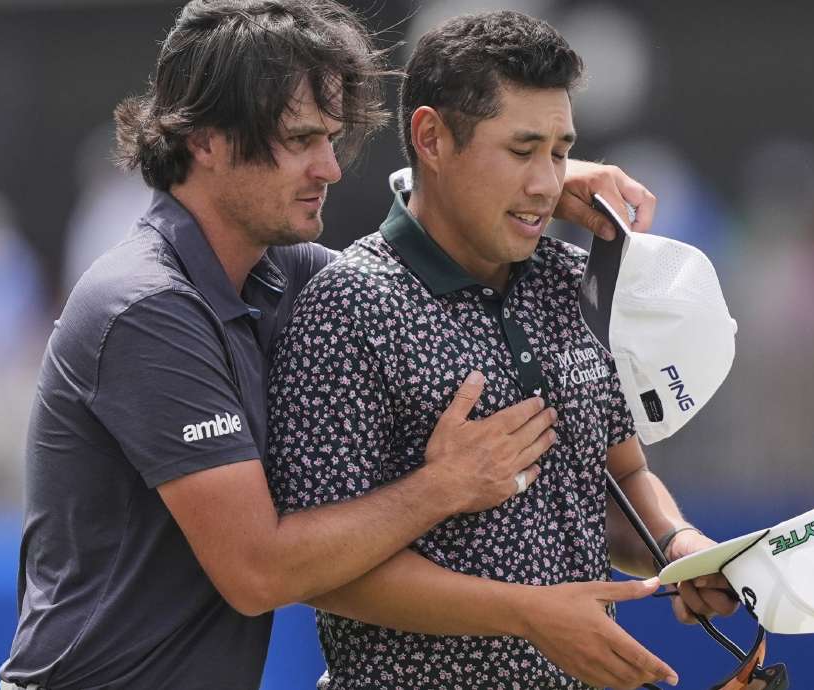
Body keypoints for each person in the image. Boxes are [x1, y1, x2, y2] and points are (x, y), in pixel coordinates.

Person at [0, 1, 663, 689]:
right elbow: (259, 572)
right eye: (300, 139)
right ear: (205, 140)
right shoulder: (147, 307)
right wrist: (444, 486)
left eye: (332, 138)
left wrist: (535, 183)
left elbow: (418, 236)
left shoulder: (285, 273)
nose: (330, 167)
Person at [266, 10, 738, 690]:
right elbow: (326, 574)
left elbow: (622, 476)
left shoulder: (572, 282)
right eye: (522, 151)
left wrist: (681, 547)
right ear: (431, 138)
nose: (548, 182)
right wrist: (529, 614)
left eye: (559, 150)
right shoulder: (351, 306)